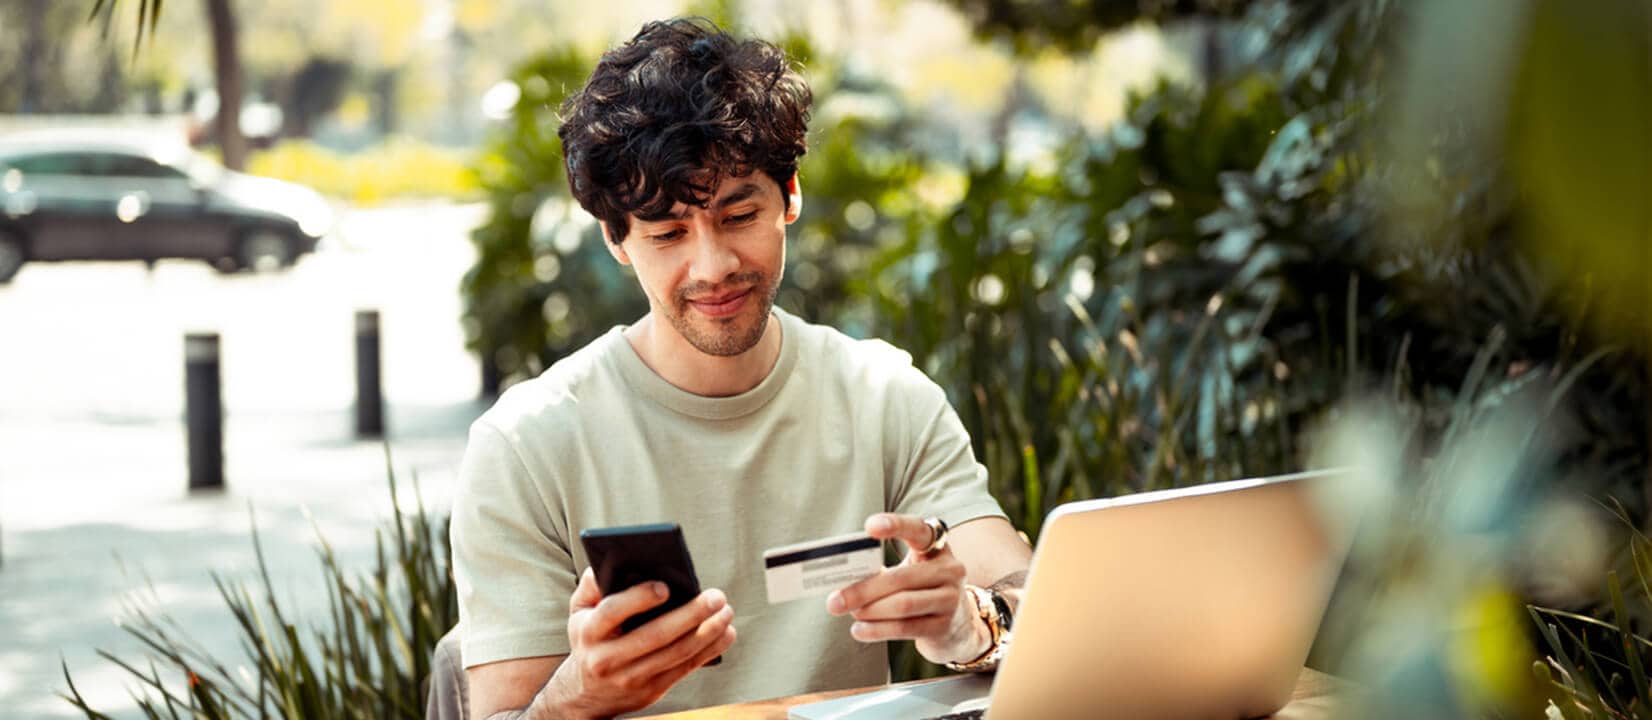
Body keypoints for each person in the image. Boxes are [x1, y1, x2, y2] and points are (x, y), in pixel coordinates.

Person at [452, 17, 1033, 720]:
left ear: (789, 197)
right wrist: (579, 698)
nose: (713, 267)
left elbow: (1031, 600)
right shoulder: (527, 445)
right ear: (617, 240)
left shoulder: (885, 399)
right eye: (667, 234)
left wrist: (970, 625)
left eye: (738, 214)